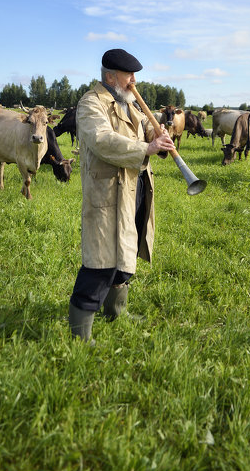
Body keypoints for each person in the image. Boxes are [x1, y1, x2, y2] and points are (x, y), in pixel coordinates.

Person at [68, 48, 176, 341]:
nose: (134, 82)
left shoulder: (129, 103)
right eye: (130, 76)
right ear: (111, 76)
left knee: (128, 248)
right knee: (100, 262)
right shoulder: (91, 103)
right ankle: (81, 334)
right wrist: (146, 149)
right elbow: (102, 140)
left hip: (135, 188)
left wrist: (157, 137)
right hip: (108, 193)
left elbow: (144, 132)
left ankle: (116, 311)